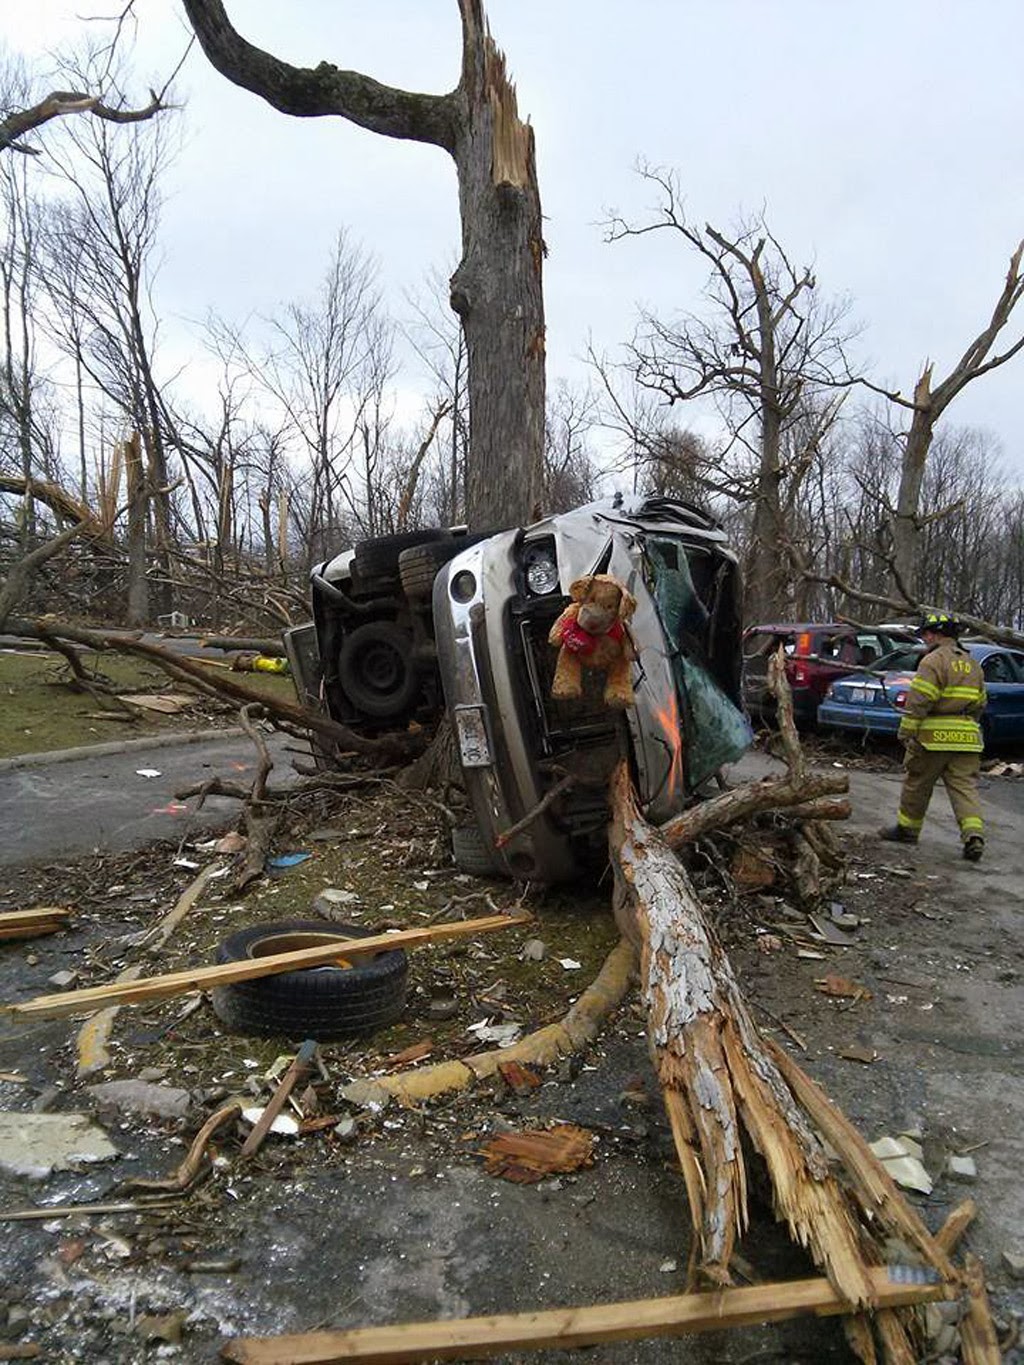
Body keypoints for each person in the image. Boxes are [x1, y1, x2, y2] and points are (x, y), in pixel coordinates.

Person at [879, 612, 986, 861]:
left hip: (933, 737)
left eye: (926, 633)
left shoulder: (932, 661)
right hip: (967, 737)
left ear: (936, 634)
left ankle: (908, 830)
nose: (924, 638)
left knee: (918, 783)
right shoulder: (972, 664)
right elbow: (980, 703)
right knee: (964, 788)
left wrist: (906, 731)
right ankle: (974, 836)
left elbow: (920, 701)